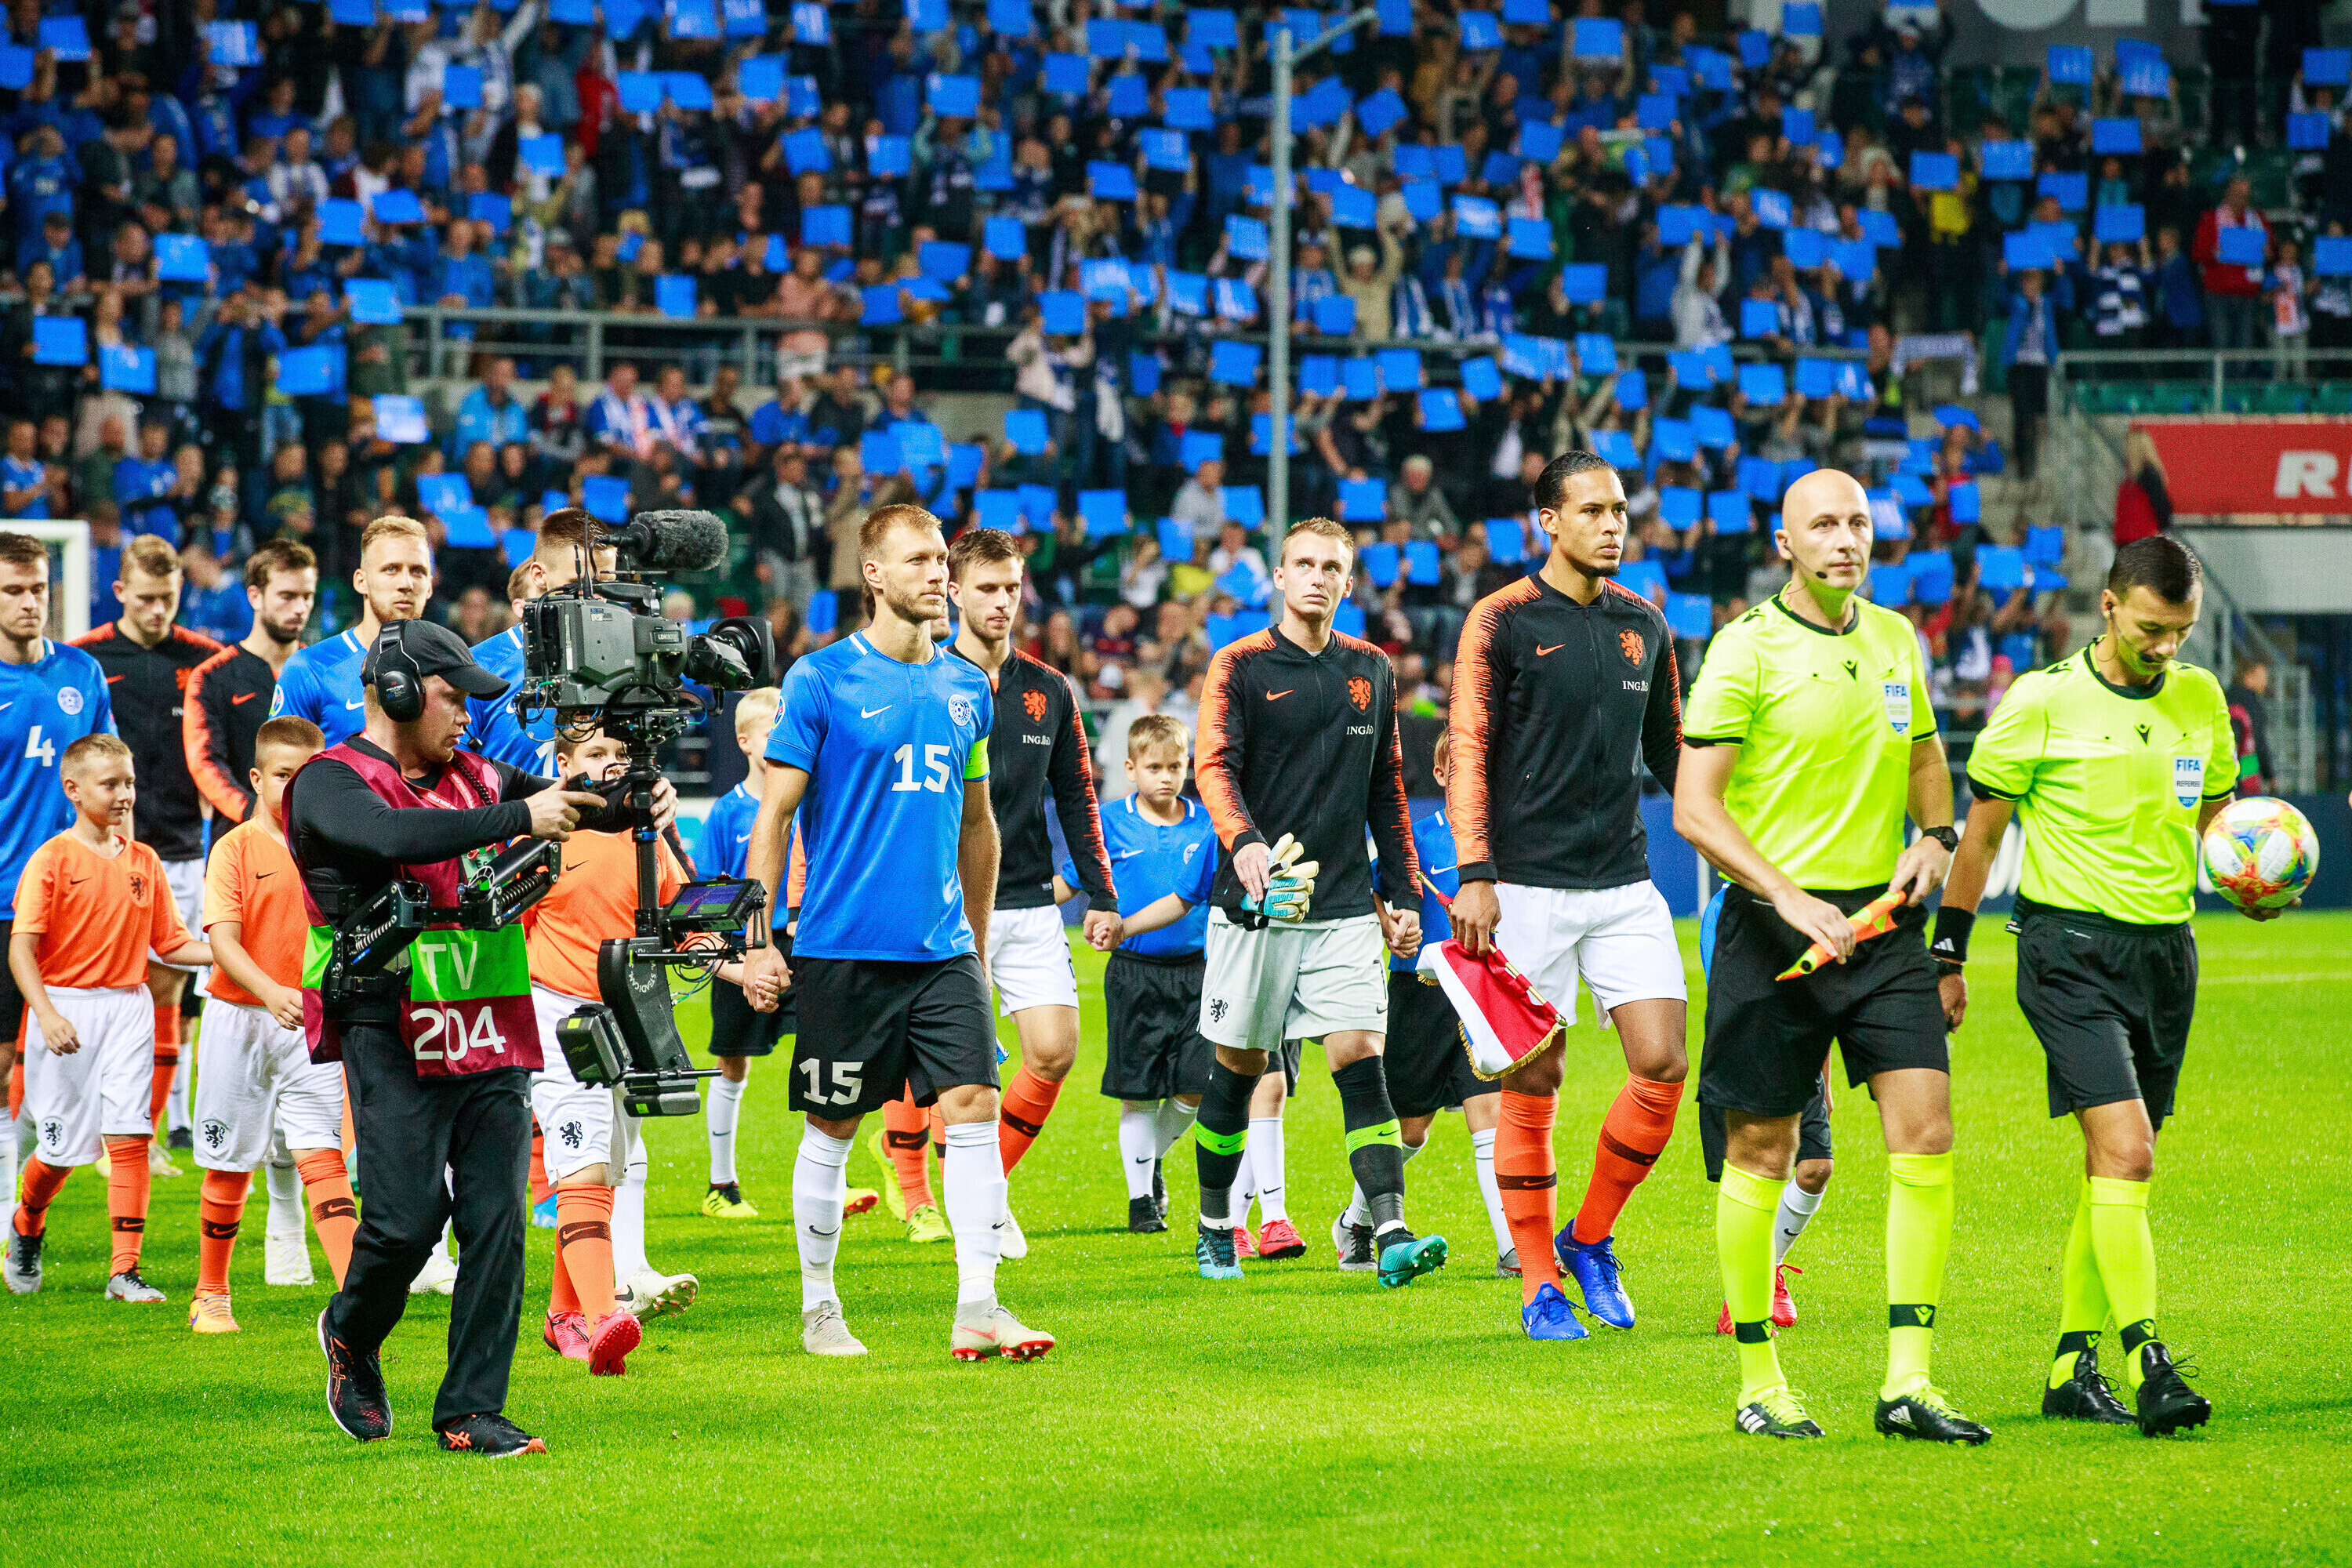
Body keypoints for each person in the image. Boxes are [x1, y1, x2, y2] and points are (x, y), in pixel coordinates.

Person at [1671, 467, 1984, 1443]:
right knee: (1764, 1151)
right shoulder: (1744, 647)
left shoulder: (1894, 638)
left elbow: (1927, 756)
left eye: (1857, 522)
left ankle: (1909, 1380)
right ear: (1786, 543)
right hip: (1774, 930)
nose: (1845, 539)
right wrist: (1787, 894)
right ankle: (1758, 1380)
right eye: (1823, 525)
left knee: (1926, 1133)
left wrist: (1936, 834)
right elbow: (1694, 807)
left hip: (1882, 927)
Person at [288, 619, 639, 1457]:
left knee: (497, 1221)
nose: (467, 716)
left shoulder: (477, 772)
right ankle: (350, 1332)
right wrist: (521, 812)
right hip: (388, 1023)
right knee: (405, 1224)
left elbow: (581, 804)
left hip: (490, 1016)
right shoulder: (329, 780)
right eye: (452, 698)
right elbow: (392, 837)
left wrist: (635, 797)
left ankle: (472, 1408)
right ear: (399, 692)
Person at [1936, 535, 2243, 1439]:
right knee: (2130, 1150)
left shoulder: (2200, 697)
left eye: (2181, 631)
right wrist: (1947, 955)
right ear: (2108, 606)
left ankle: (2071, 1366)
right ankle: (2149, 1359)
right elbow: (1981, 837)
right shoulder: (2041, 700)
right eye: (2152, 629)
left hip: (2166, 954)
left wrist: (2252, 874)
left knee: (2116, 1164)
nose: (2167, 648)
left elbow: (2217, 817)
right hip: (2066, 953)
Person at [739, 503, 1053, 1363]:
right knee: (834, 1127)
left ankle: (979, 1305)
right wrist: (760, 938)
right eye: (918, 560)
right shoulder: (821, 679)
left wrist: (976, 948)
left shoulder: (967, 687)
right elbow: (775, 816)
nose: (937, 575)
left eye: (940, 560)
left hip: (943, 950)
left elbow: (978, 826)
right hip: (842, 947)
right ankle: (819, 1307)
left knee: (974, 1105)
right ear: (873, 574)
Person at [1444, 450, 1690, 1341]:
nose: (1612, 524)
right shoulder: (1500, 619)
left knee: (1663, 1064)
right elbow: (1468, 746)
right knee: (1535, 1077)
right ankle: (1539, 1283)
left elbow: (1673, 753)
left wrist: (1743, 840)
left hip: (1625, 882)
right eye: (1592, 510)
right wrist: (1475, 872)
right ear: (1547, 521)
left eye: (1620, 510)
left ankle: (1589, 1238)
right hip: (1523, 888)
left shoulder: (1645, 624)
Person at [1190, 516, 1435, 1287]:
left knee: (1360, 1057)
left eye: (1332, 567)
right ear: (1279, 576)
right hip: (1256, 904)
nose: (1317, 577)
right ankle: (1214, 1224)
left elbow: (1386, 791)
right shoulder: (1239, 664)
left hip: (1342, 906)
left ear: (1349, 583)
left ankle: (1389, 1230)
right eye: (1304, 564)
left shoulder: (1372, 669)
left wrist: (1402, 892)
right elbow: (1213, 766)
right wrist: (1243, 840)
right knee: (1239, 1068)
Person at [944, 526, 1121, 1260]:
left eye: (1011, 588)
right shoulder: (929, 680)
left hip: (1028, 900)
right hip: (947, 907)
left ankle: (986, 1191)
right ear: (953, 591)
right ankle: (945, 1195)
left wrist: (1101, 893)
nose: (1001, 602)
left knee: (1053, 1051)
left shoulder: (1049, 689)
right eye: (986, 588)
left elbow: (1077, 795)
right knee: (956, 1073)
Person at [526, 725, 709, 1374]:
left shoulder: (647, 840)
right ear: (564, 763)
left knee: (602, 1171)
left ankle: (563, 1316)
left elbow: (677, 922)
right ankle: (607, 1318)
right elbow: (511, 931)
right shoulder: (542, 837)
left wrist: (728, 960)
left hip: (627, 1018)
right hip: (557, 1018)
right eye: (595, 754)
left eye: (620, 755)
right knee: (582, 1164)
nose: (610, 766)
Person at [3, 735, 212, 1303]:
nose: (125, 794)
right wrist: (45, 1014)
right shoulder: (51, 859)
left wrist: (228, 952)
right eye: (111, 784)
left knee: (131, 1136)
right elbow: (21, 949)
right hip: (65, 1010)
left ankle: (125, 1271)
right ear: (73, 790)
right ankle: (27, 1221)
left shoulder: (144, 861)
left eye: (130, 783)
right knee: (58, 1153)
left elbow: (171, 943)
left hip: (128, 1008)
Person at [186, 717, 358, 1331]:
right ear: (257, 779)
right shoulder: (234, 848)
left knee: (324, 1157)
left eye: (307, 775)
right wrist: (269, 990)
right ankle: (210, 1292)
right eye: (284, 775)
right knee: (228, 1161)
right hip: (238, 1018)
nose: (295, 787)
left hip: (310, 1021)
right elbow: (222, 942)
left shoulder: (337, 847)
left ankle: (356, 1308)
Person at [71, 536, 228, 1173]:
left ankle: (143, 1132)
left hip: (180, 849)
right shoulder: (84, 658)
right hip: (101, 852)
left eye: (168, 598)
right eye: (145, 599)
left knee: (167, 988)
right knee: (99, 987)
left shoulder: (205, 661)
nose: (158, 610)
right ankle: (82, 1124)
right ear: (119, 592)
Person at [1357, 731, 1518, 1278]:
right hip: (1421, 994)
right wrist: (1388, 925)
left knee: (1490, 1113)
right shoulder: (1416, 840)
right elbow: (1370, 885)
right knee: (1410, 1129)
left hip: (1485, 994)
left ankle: (1512, 1249)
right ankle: (1357, 1220)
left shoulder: (1511, 842)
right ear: (1443, 775)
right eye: (1463, 771)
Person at [1060, 713, 1218, 1234]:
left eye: (1175, 766)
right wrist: (1011, 908)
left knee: (1196, 1088)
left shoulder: (1207, 824)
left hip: (1200, 973)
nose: (1166, 777)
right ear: (1131, 769)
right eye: (1154, 767)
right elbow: (1069, 882)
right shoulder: (1108, 822)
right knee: (1139, 1092)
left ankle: (1151, 1160)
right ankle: (1140, 1200)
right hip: (1134, 973)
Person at [0, 532, 115, 1213]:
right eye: (13, 590)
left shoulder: (81, 673)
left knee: (70, 1063)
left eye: (37, 588)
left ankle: (27, 1214)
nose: (29, 602)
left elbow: (110, 783)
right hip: (2, 899)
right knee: (1, 1062)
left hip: (73, 901)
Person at [1696, 887, 1835, 1336]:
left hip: (1800, 1043)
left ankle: (1766, 1270)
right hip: (1749, 1039)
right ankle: (1745, 1298)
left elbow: (1822, 997)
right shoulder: (1727, 913)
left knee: (1816, 1168)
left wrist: (1824, 1077)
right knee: (1753, 1170)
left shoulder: (1822, 898)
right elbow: (1732, 996)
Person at [466, 509, 614, 775]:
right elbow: (453, 781)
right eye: (578, 584)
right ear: (539, 575)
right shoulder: (477, 668)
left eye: (606, 584)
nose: (594, 599)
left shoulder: (626, 659)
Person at [185, 539, 320, 825]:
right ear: (255, 596)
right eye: (287, 596)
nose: (300, 608)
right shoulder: (211, 676)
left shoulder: (323, 672)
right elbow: (206, 762)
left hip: (312, 834)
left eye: (307, 596)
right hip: (239, 835)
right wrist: (254, 814)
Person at [270, 516, 434, 749]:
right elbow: (280, 766)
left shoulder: (450, 671)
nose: (406, 584)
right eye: (391, 569)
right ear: (361, 582)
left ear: (429, 586)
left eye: (418, 571)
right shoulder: (310, 669)